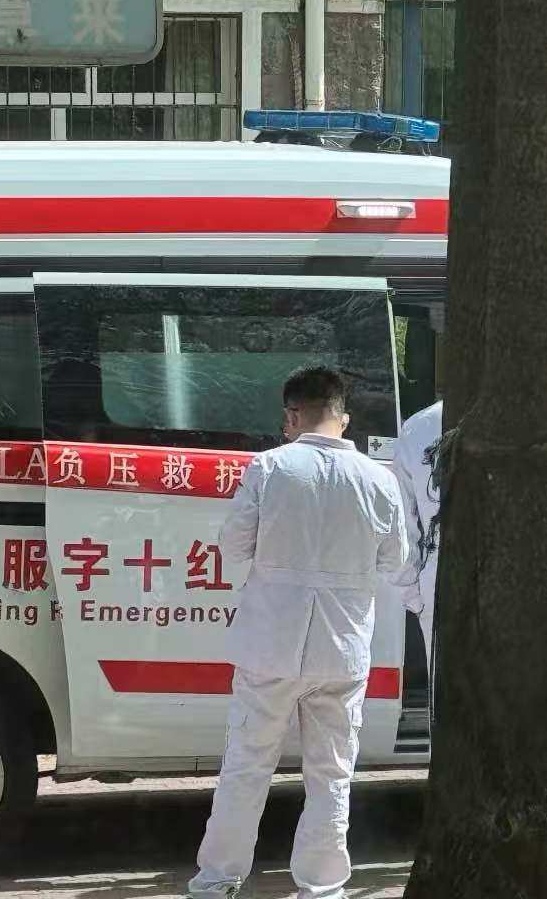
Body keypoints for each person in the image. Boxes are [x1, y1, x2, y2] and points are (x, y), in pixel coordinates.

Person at [189, 366, 410, 899]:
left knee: (247, 766)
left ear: (291, 416)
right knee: (331, 774)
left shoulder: (268, 468)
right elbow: (396, 560)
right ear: (343, 417)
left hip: (269, 644)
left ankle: (218, 880)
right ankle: (324, 886)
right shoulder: (379, 479)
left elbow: (233, 547)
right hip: (342, 649)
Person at [393, 399, 443, 667]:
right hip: (438, 586)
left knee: (447, 686)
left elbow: (400, 526)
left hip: (439, 585)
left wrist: (414, 594)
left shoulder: (420, 425)